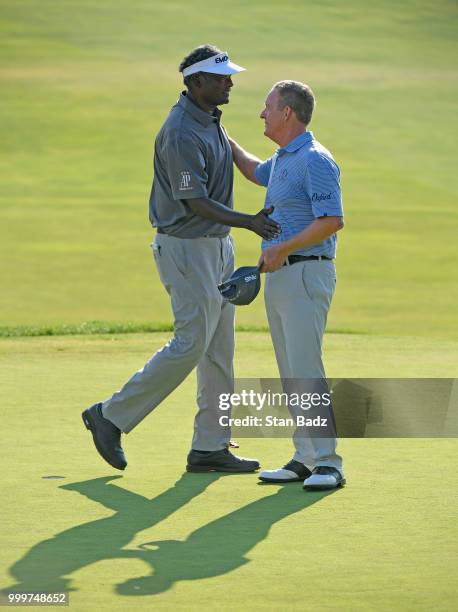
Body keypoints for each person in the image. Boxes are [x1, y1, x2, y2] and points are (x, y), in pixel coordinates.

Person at [82, 45, 281, 474]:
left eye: (229, 76)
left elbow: (245, 163)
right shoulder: (181, 132)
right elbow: (194, 202)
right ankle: (110, 416)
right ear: (195, 83)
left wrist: (290, 171)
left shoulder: (209, 121)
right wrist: (249, 221)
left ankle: (210, 446)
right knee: (192, 343)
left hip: (217, 246)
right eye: (220, 77)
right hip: (187, 247)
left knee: (219, 351)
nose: (230, 82)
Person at [229, 80, 345, 490]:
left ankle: (329, 462)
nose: (261, 113)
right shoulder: (282, 159)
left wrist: (282, 248)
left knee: (306, 370)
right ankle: (305, 457)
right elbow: (251, 170)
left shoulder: (315, 159)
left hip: (306, 271)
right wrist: (219, 134)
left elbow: (332, 220)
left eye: (267, 107)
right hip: (281, 274)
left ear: (286, 113)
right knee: (290, 372)